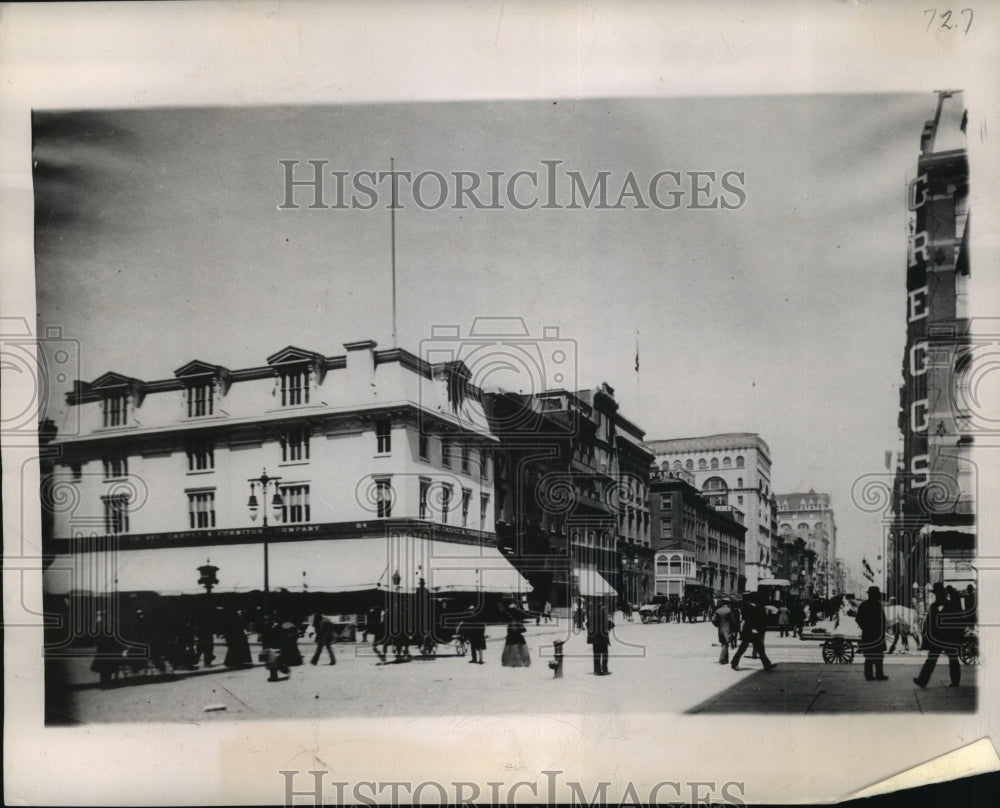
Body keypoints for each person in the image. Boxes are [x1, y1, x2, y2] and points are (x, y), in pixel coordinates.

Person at [914, 582, 962, 689]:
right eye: (936, 593)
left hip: (948, 637)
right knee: (932, 659)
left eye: (938, 593)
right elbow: (930, 622)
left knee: (952, 658)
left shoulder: (950, 605)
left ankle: (955, 681)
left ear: (942, 593)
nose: (937, 595)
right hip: (938, 638)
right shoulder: (934, 606)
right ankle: (922, 680)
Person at [731, 593, 776, 672]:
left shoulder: (748, 607)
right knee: (753, 648)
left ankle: (767, 664)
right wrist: (769, 615)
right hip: (752, 631)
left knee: (749, 648)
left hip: (748, 631)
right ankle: (767, 664)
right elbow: (760, 619)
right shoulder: (754, 607)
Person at [855, 586, 888, 681]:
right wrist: (865, 626)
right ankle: (876, 675)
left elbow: (858, 618)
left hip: (872, 634)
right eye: (877, 595)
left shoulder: (866, 605)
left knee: (873, 656)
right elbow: (858, 619)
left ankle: (874, 675)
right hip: (873, 634)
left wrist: (865, 627)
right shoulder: (872, 605)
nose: (878, 597)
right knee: (874, 656)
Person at [586, 600, 614, 676]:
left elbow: (587, 624)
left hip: (595, 638)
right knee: (605, 653)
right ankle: (604, 669)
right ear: (601, 607)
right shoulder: (603, 614)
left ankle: (597, 670)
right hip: (603, 637)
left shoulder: (592, 615)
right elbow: (609, 624)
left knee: (596, 654)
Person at [711, 599, 738, 665]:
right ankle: (722, 659)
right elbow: (733, 621)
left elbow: (713, 620)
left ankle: (726, 660)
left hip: (720, 630)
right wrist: (735, 629)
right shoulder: (729, 610)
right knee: (726, 644)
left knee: (724, 644)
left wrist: (717, 624)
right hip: (728, 629)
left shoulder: (718, 610)